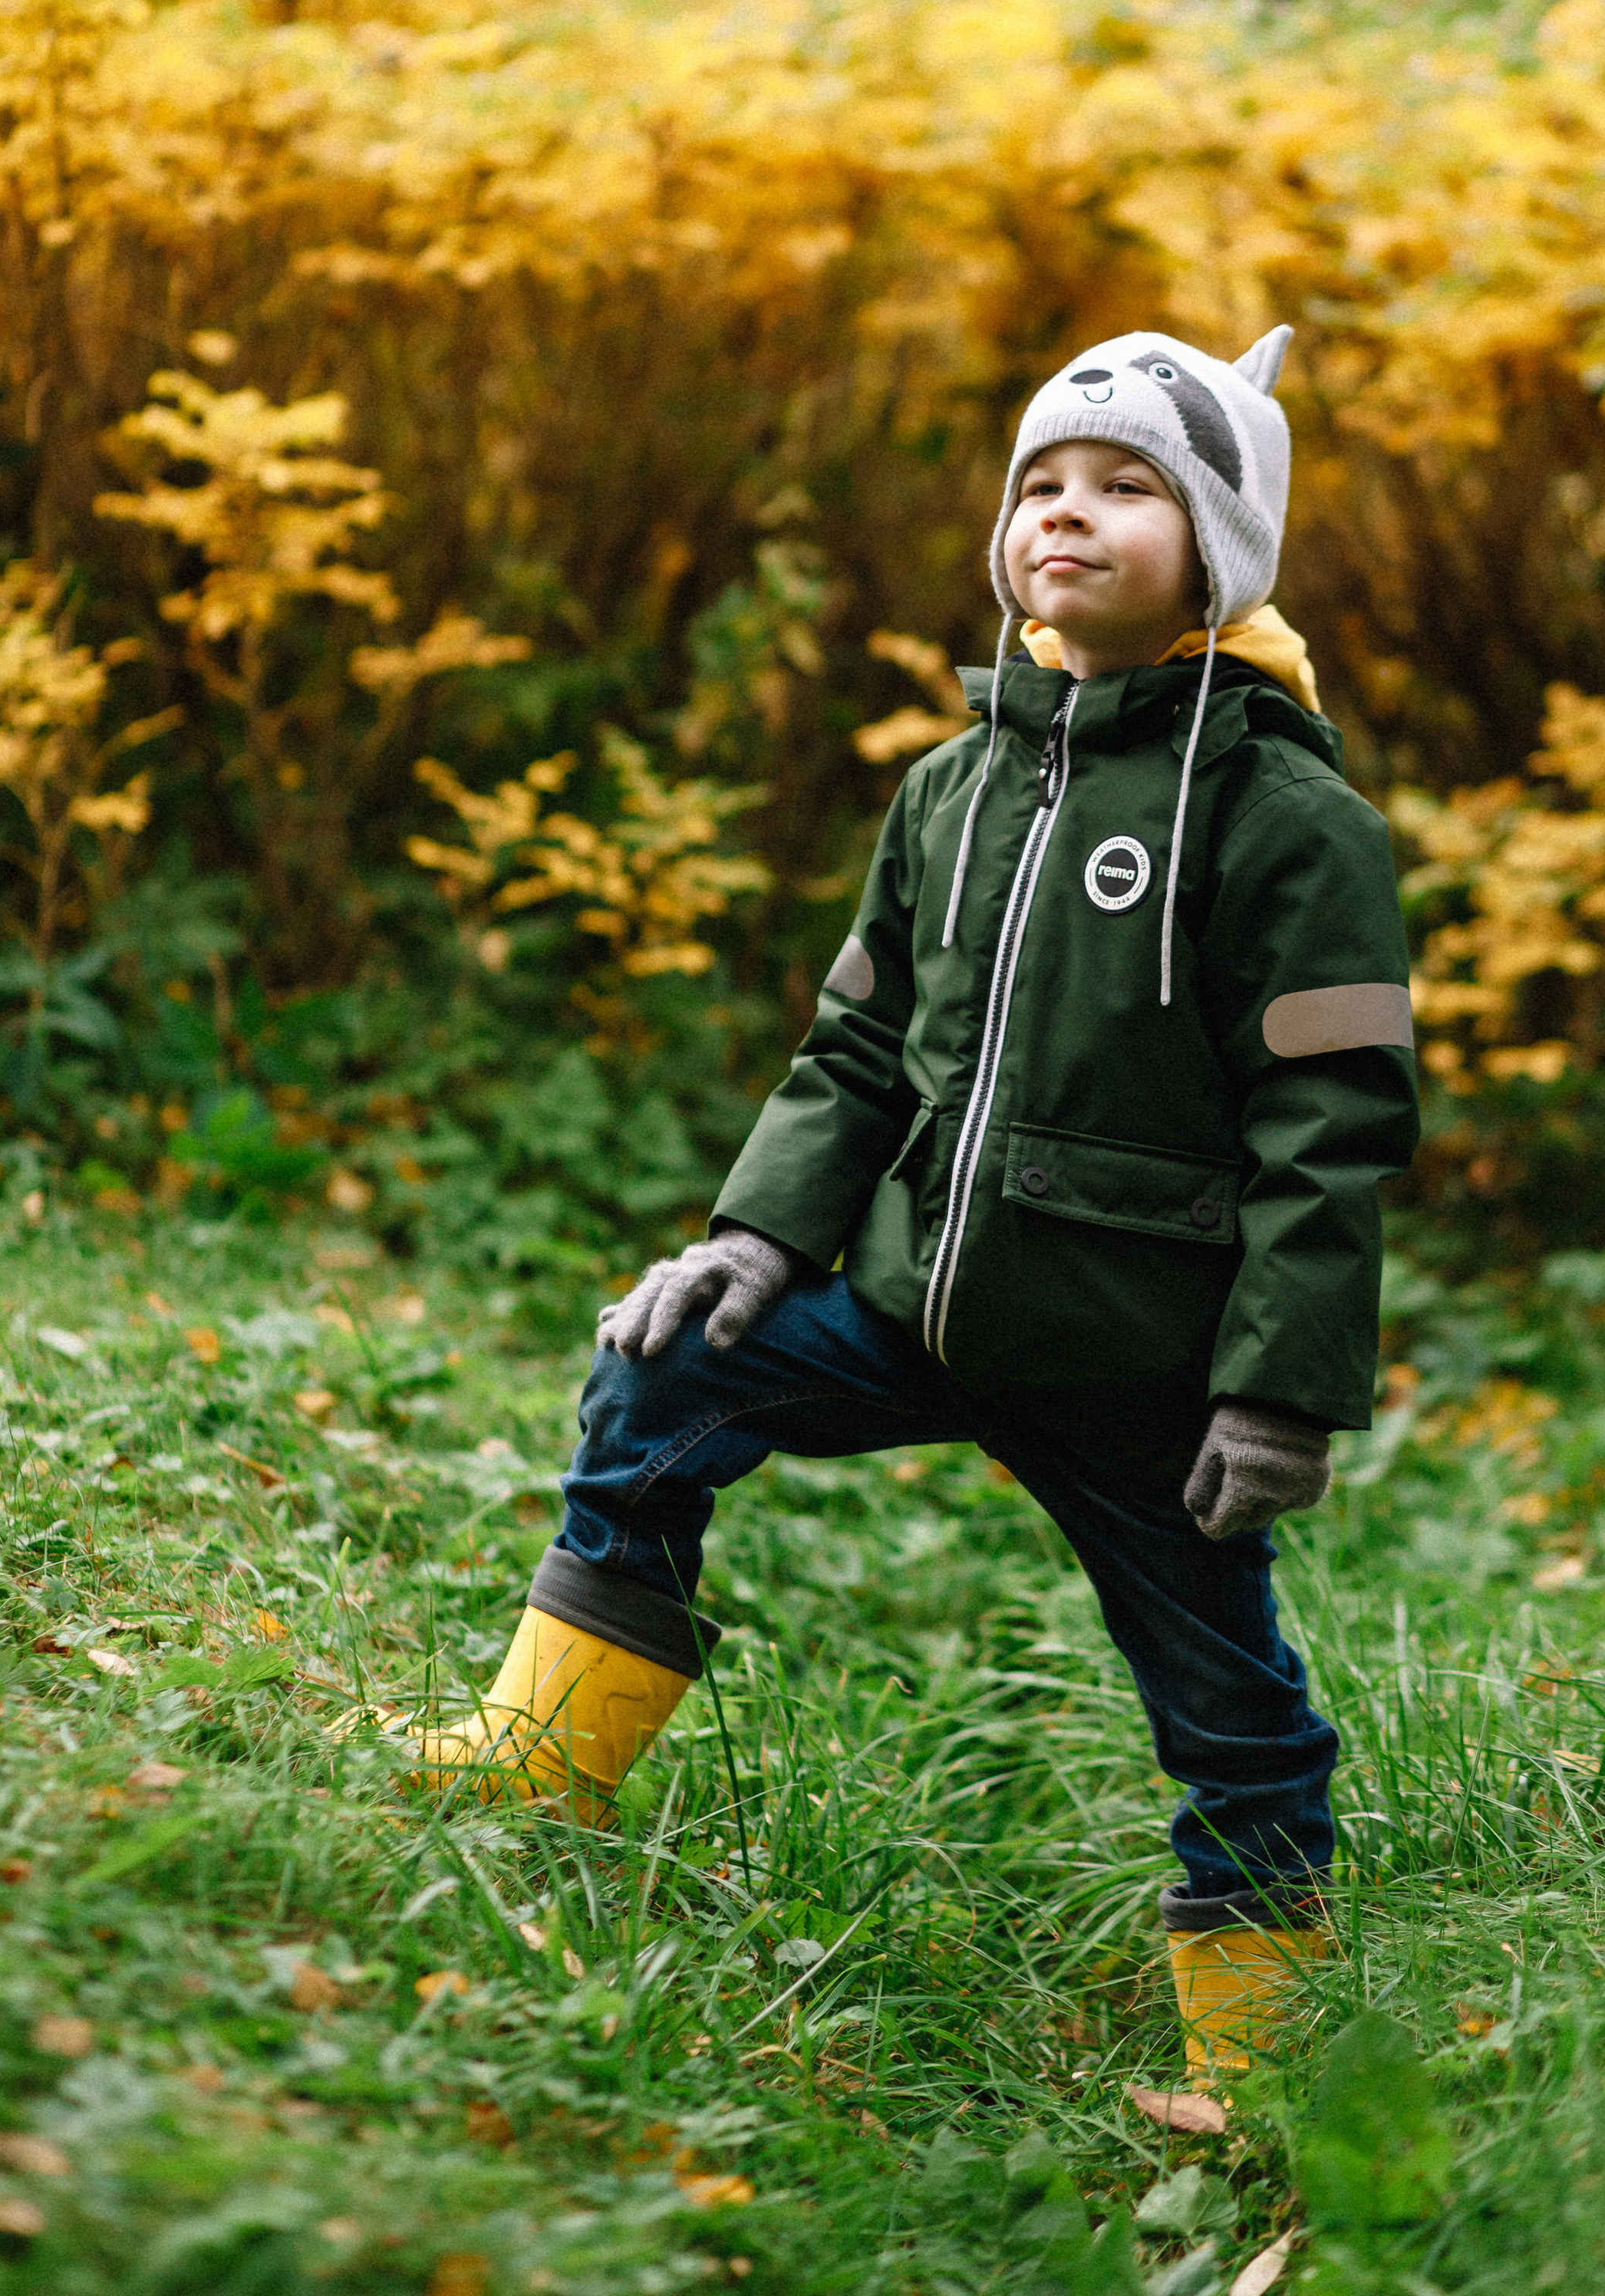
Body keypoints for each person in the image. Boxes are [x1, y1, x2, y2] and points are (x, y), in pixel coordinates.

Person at [395, 326, 1419, 2080]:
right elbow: (857, 1044)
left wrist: (1278, 1386)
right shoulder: (949, 791)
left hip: (1139, 1365)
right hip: (911, 1299)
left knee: (1232, 1715)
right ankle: (548, 1752)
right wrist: (753, 1236)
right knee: (663, 1373)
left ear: (1218, 552)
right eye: (1041, 487)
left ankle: (1267, 2056)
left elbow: (1336, 1123)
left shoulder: (1283, 816)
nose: (1066, 517)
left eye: (1125, 489)